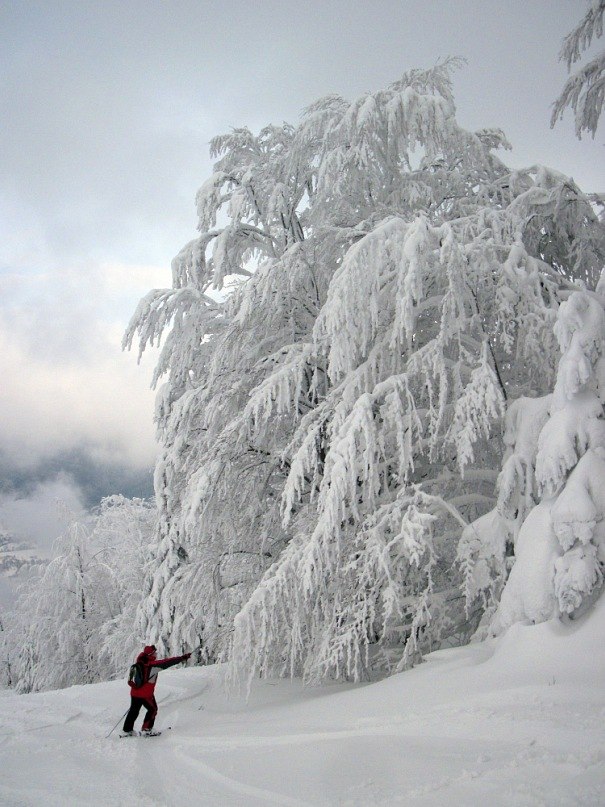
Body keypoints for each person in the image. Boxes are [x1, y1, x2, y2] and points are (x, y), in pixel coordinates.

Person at [122, 644, 191, 735]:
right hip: (146, 694)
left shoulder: (139, 662)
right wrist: (182, 658)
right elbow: (168, 662)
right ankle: (146, 730)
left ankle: (127, 730)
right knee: (153, 710)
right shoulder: (152, 666)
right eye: (155, 653)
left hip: (134, 692)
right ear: (150, 655)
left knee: (134, 711)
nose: (156, 654)